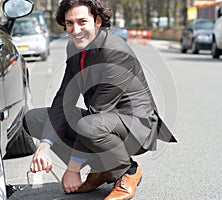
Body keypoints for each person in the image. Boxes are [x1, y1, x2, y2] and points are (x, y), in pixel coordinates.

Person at [23, 0, 177, 199]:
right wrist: (44, 146)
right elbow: (64, 98)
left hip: (135, 125)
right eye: (70, 23)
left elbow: (99, 110)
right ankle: (101, 169)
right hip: (102, 119)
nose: (75, 29)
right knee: (34, 119)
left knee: (88, 126)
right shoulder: (74, 48)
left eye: (82, 22)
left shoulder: (116, 53)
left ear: (97, 21)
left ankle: (128, 171)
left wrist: (72, 169)